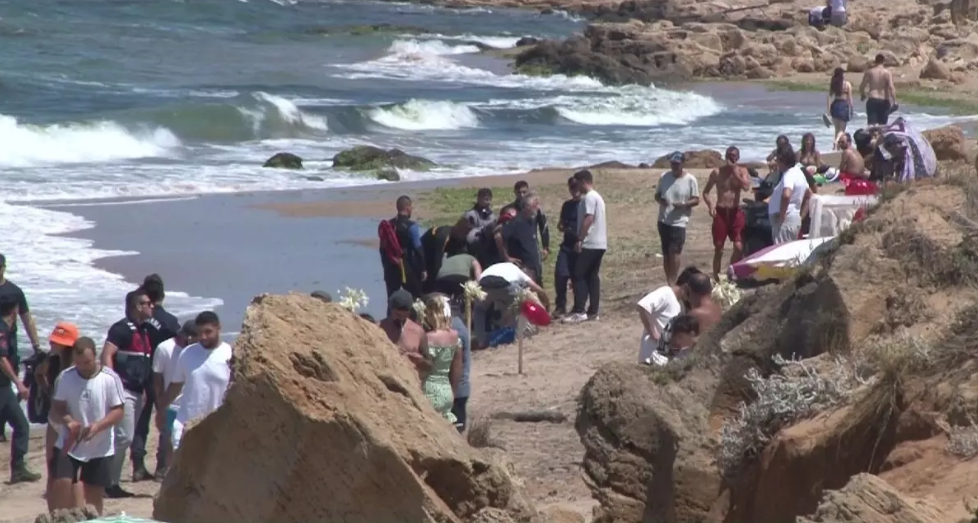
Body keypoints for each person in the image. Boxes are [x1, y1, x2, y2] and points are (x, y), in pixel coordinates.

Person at [48, 337, 125, 515]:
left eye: (87, 362)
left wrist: (98, 426)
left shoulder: (110, 378)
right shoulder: (66, 377)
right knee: (62, 483)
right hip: (70, 442)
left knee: (94, 493)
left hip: (100, 445)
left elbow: (118, 411)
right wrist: (69, 421)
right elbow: (57, 407)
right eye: (79, 362)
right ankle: (62, 518)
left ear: (95, 356)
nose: (83, 366)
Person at [101, 289, 155, 499]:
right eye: (147, 303)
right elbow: (106, 355)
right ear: (137, 306)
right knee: (124, 437)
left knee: (123, 437)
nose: (152, 306)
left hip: (138, 392)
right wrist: (113, 386)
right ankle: (108, 483)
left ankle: (111, 482)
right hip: (123, 391)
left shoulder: (144, 331)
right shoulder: (121, 329)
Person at [159, 312, 231, 452]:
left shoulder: (229, 354)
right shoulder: (187, 353)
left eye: (208, 332)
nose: (203, 337)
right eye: (199, 333)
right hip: (186, 423)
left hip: (217, 425)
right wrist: (161, 409)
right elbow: (176, 385)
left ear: (219, 328)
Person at [131, 273, 179, 482]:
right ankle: (161, 467)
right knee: (164, 418)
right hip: (162, 376)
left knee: (140, 422)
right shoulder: (170, 322)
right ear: (163, 295)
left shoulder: (137, 320)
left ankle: (138, 467)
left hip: (139, 375)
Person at [36, 322, 82, 507]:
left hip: (73, 421)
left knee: (75, 473)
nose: (52, 343)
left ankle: (76, 513)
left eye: (57, 341)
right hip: (56, 420)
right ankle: (54, 513)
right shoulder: (51, 359)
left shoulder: (78, 364)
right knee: (53, 469)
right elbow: (39, 374)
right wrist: (48, 392)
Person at [0, 253, 43, 442]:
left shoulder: (14, 292)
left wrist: (36, 345)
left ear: (4, 267)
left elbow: (27, 318)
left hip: (9, 346)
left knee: (6, 385)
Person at [0, 294, 42, 483]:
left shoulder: (6, 329)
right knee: (21, 425)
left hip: (4, 387)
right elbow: (1, 359)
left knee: (21, 425)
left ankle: (18, 470)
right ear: (14, 310)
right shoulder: (1, 330)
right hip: (2, 387)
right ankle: (17, 469)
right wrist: (19, 383)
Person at [150, 320, 197, 481]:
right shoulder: (165, 349)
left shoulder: (195, 351)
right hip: (171, 402)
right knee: (167, 438)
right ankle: (163, 470)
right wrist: (160, 404)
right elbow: (157, 378)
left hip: (191, 402)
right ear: (186, 336)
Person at [564, 169, 607, 324]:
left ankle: (580, 310)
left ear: (583, 181)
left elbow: (589, 218)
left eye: (577, 183)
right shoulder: (598, 197)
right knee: (592, 276)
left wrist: (580, 239)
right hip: (600, 243)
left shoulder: (589, 197)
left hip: (591, 242)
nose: (577, 188)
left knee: (578, 273)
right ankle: (593, 311)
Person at [703, 146, 751, 281]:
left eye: (735, 155)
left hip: (735, 211)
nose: (732, 158)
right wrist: (711, 206)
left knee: (739, 246)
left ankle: (730, 270)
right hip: (721, 211)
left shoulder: (742, 171)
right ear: (726, 156)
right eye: (730, 155)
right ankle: (717, 278)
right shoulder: (717, 173)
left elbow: (746, 187)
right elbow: (706, 192)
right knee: (719, 248)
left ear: (738, 157)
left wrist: (735, 173)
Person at [655, 152, 700, 285]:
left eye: (677, 164)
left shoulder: (690, 179)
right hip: (663, 220)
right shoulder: (664, 177)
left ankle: (673, 281)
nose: (674, 166)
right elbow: (657, 195)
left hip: (679, 221)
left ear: (682, 164)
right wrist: (660, 200)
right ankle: (669, 279)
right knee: (666, 253)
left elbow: (696, 199)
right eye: (672, 164)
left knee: (675, 252)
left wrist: (684, 205)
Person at [475, 262, 549, 341]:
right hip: (507, 286)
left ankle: (481, 340)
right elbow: (538, 289)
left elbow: (477, 283)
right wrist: (547, 304)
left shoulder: (493, 268)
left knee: (479, 310)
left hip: (484, 286)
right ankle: (519, 334)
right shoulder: (517, 271)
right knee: (520, 304)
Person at [419, 294, 462, 424]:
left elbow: (426, 366)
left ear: (433, 314)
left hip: (430, 389)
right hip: (447, 390)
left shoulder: (428, 338)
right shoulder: (455, 337)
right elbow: (457, 368)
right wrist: (453, 392)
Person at [379, 195, 426, 300]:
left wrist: (385, 265)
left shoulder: (388, 225)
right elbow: (418, 248)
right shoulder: (411, 226)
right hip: (406, 267)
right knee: (416, 296)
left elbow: (382, 249)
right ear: (408, 208)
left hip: (390, 267)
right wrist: (423, 269)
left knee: (392, 298)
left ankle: (390, 315)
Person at [379, 290, 432, 377]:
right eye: (397, 315)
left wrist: (418, 360)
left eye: (404, 316)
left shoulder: (418, 332)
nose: (400, 319)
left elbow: (429, 365)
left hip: (409, 382)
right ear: (391, 310)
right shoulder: (378, 328)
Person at [768, 148, 813, 244]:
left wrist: (782, 216)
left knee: (780, 252)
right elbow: (809, 195)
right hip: (794, 218)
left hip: (785, 221)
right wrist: (800, 217)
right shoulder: (799, 172)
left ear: (782, 161)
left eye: (777, 160)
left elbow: (786, 195)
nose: (776, 163)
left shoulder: (789, 174)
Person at [553, 176, 582, 317]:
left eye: (576, 187)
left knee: (577, 277)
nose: (574, 190)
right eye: (571, 187)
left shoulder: (585, 204)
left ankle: (578, 306)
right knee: (560, 274)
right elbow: (561, 223)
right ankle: (560, 305)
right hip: (567, 244)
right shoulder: (567, 205)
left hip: (581, 245)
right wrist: (562, 227)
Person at [502, 192, 544, 283]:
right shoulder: (516, 222)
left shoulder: (531, 220)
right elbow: (499, 236)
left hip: (535, 267)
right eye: (535, 205)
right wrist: (507, 257)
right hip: (523, 269)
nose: (538, 208)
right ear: (527, 206)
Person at [421, 218, 471, 293]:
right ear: (457, 229)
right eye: (463, 234)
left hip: (434, 251)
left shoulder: (458, 237)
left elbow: (462, 255)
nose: (464, 236)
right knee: (431, 276)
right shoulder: (443, 236)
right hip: (424, 252)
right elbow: (437, 262)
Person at [508, 181, 550, 264]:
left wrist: (545, 247)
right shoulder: (510, 210)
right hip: (515, 248)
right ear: (515, 192)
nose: (522, 195)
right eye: (519, 192)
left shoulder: (536, 209)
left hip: (532, 247)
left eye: (524, 192)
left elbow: (544, 228)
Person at [449, 312, 471, 433]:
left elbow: (457, 365)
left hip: (456, 390)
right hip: (459, 389)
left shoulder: (455, 330)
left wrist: (452, 391)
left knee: (456, 431)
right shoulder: (458, 325)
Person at [860, 54, 897, 126]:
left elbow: (862, 86)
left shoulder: (869, 72)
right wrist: (894, 101)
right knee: (882, 125)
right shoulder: (887, 73)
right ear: (883, 62)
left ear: (875, 61)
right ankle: (880, 137)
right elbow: (891, 87)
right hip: (884, 100)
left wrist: (862, 94)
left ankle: (873, 137)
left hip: (872, 99)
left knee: (871, 125)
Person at [827, 68, 853, 149]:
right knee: (842, 129)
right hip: (843, 105)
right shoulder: (847, 84)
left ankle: (836, 148)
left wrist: (828, 109)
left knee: (837, 129)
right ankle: (836, 142)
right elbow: (850, 98)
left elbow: (829, 97)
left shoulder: (834, 84)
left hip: (835, 105)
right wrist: (851, 109)